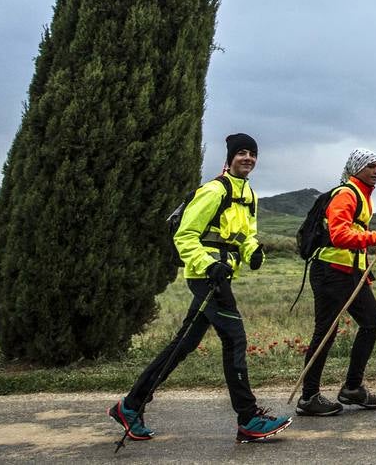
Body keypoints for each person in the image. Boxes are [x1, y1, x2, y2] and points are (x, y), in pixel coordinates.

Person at [109, 133, 292, 444]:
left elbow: (245, 235)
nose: (247, 158)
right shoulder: (213, 191)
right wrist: (208, 264)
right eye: (241, 153)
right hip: (205, 277)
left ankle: (130, 406)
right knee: (235, 340)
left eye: (252, 153)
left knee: (183, 345)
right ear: (230, 157)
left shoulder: (249, 195)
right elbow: (185, 235)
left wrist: (253, 253)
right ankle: (248, 418)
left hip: (221, 276)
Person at [295, 147, 376, 416]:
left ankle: (352, 388)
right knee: (326, 332)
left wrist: (364, 273)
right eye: (371, 166)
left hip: (351, 273)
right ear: (356, 168)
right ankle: (308, 397)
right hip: (330, 271)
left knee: (372, 322)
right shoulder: (346, 194)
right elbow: (340, 236)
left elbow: (351, 236)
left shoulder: (362, 197)